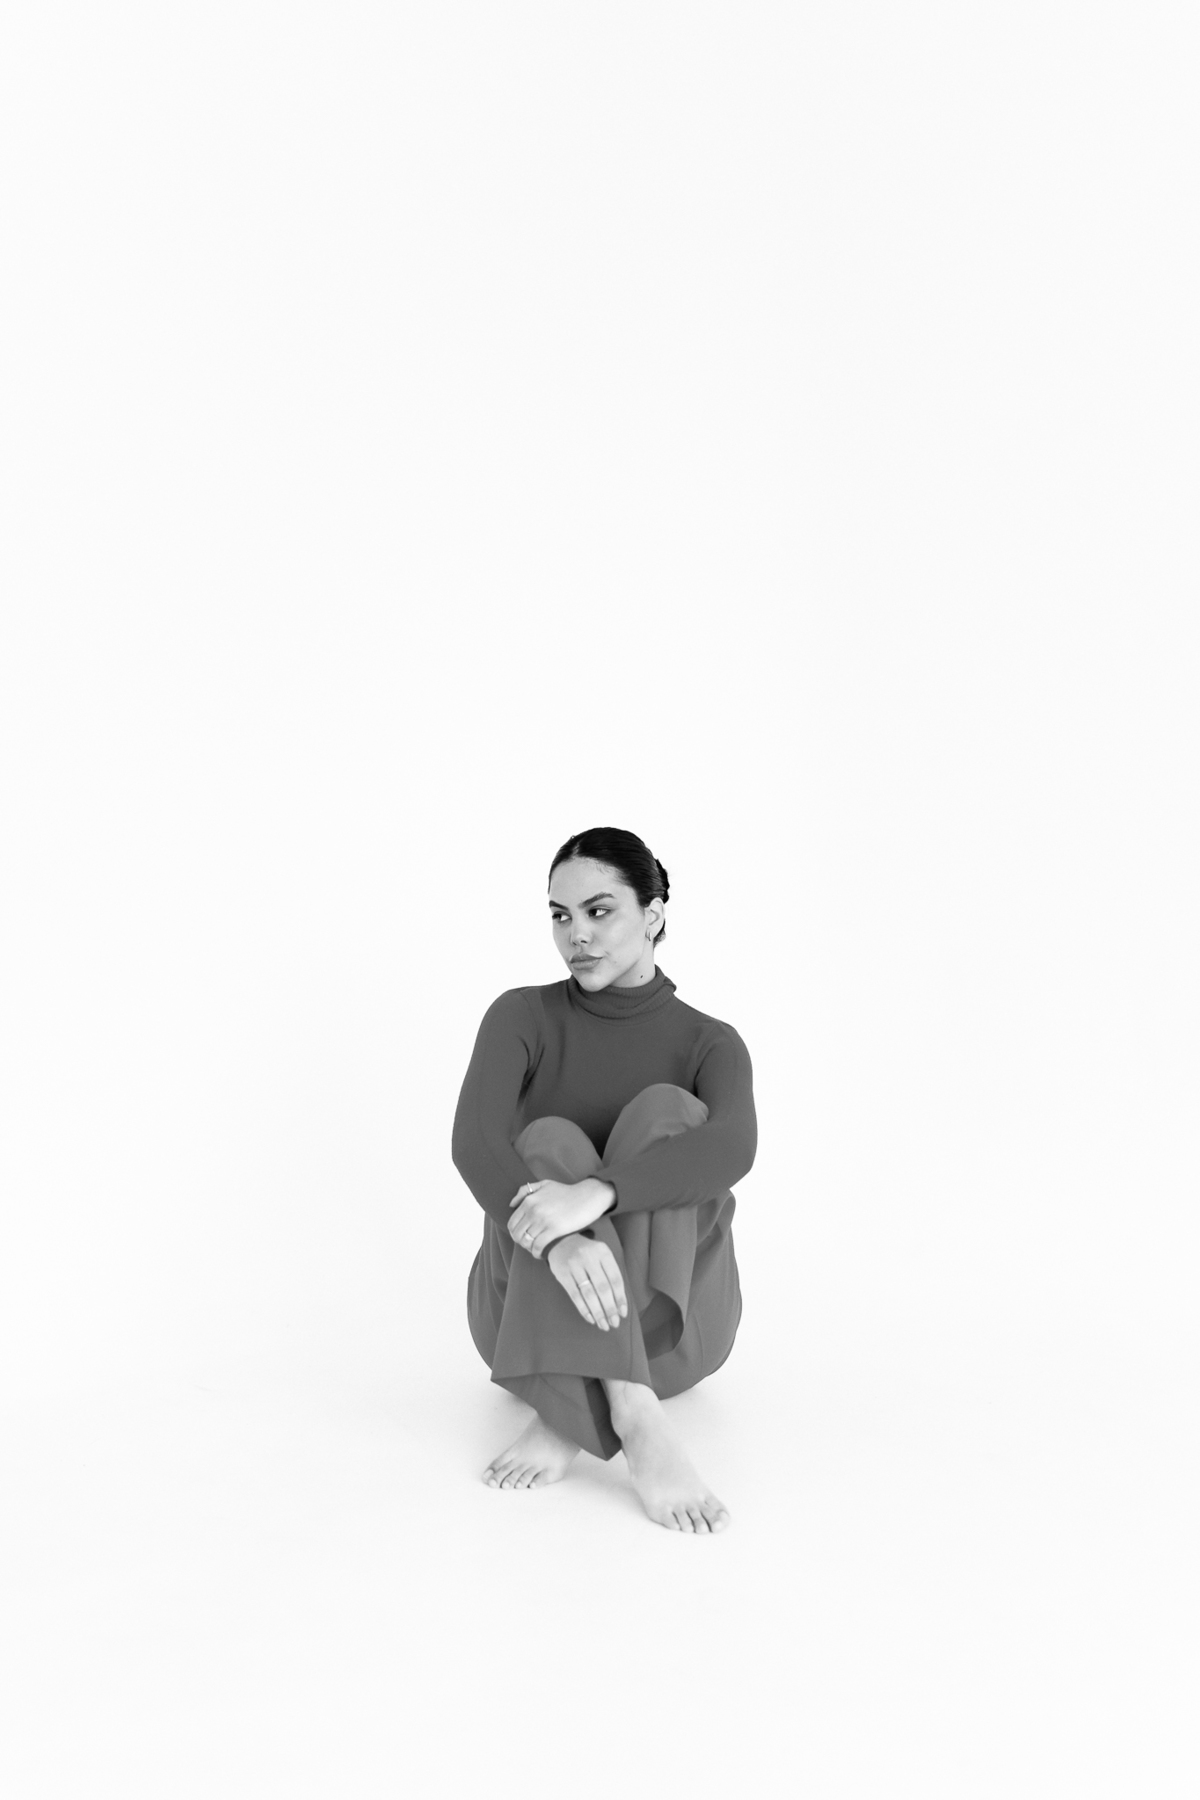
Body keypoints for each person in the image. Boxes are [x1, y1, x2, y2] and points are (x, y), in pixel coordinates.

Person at [451, 826, 757, 1534]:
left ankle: (581, 1405)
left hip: (673, 1335)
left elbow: (734, 1147)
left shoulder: (710, 1043)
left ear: (652, 915)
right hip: (518, 1320)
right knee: (548, 1141)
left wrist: (598, 1194)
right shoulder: (521, 1017)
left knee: (667, 1112)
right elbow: (474, 1143)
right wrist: (559, 1242)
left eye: (599, 911)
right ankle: (626, 1402)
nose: (576, 935)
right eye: (560, 915)